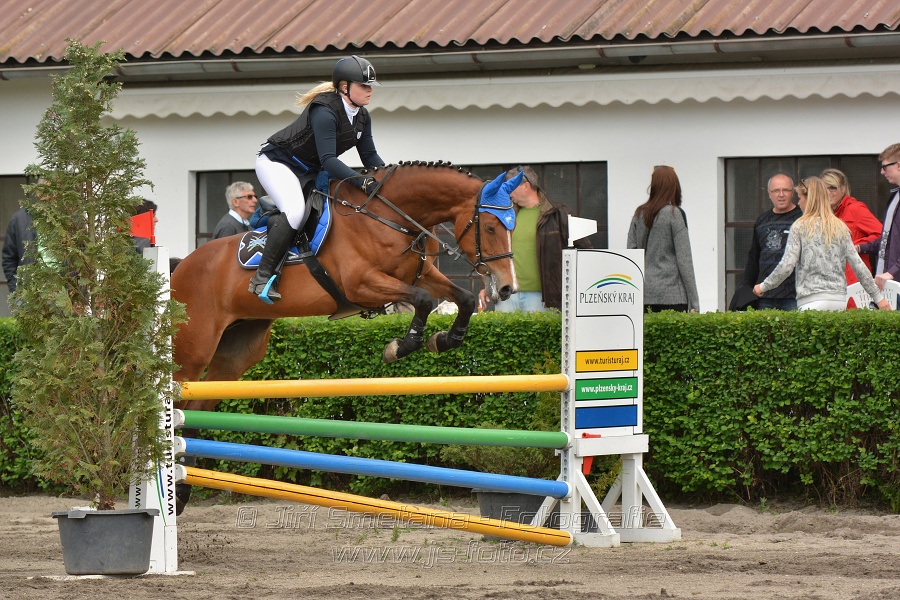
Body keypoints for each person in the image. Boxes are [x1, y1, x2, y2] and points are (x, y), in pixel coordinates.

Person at [249, 55, 386, 302]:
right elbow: (329, 160)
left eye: (370, 86)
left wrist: (388, 179)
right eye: (364, 86)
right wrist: (360, 180)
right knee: (295, 211)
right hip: (278, 163)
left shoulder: (362, 116)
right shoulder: (325, 110)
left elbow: (370, 156)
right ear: (345, 87)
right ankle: (262, 277)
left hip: (307, 171)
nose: (369, 91)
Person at [753, 177, 889, 311]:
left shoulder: (800, 226)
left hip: (811, 300)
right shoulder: (839, 226)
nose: (799, 203)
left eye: (800, 198)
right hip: (838, 300)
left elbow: (787, 265)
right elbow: (858, 266)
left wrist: (764, 286)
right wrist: (878, 298)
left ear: (809, 199)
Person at [478, 166, 592, 312]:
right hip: (507, 295)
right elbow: (493, 252)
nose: (506, 192)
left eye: (510, 187)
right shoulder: (504, 216)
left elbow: (585, 251)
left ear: (526, 186)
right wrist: (488, 286)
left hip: (542, 297)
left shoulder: (558, 215)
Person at [627, 165, 700, 313]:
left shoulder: (638, 214)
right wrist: (694, 301)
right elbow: (684, 260)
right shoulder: (674, 214)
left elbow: (631, 254)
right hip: (673, 296)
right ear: (674, 186)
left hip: (644, 294)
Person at [740, 174, 802, 310]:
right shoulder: (762, 220)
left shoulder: (802, 219)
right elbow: (754, 256)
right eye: (776, 191)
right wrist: (746, 286)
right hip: (765, 295)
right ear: (769, 194)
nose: (781, 195)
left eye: (786, 190)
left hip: (793, 295)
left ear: (793, 193)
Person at [821, 168, 882, 284]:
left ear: (843, 189)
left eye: (832, 188)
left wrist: (857, 246)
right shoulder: (825, 213)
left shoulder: (855, 209)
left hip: (853, 279)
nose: (828, 192)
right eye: (824, 189)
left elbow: (883, 236)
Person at [859, 145, 900, 292]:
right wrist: (859, 248)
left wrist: (892, 272)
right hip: (890, 284)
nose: (882, 172)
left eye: (885, 167)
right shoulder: (895, 196)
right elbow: (887, 242)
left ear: (899, 166)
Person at [2, 207, 36, 293]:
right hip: (28, 295)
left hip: (64, 294)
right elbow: (9, 258)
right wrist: (16, 290)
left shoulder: (68, 216)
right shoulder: (19, 219)